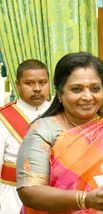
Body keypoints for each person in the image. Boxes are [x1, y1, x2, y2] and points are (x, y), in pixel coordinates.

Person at [16, 52, 103, 214]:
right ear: (59, 93)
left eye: (95, 88)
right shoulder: (44, 130)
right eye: (76, 89)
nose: (87, 97)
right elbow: (29, 192)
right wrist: (84, 200)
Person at [0, 59, 51, 214]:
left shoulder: (62, 113)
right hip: (14, 199)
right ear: (17, 85)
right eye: (29, 83)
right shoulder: (3, 118)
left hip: (56, 197)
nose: (37, 88)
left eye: (42, 82)